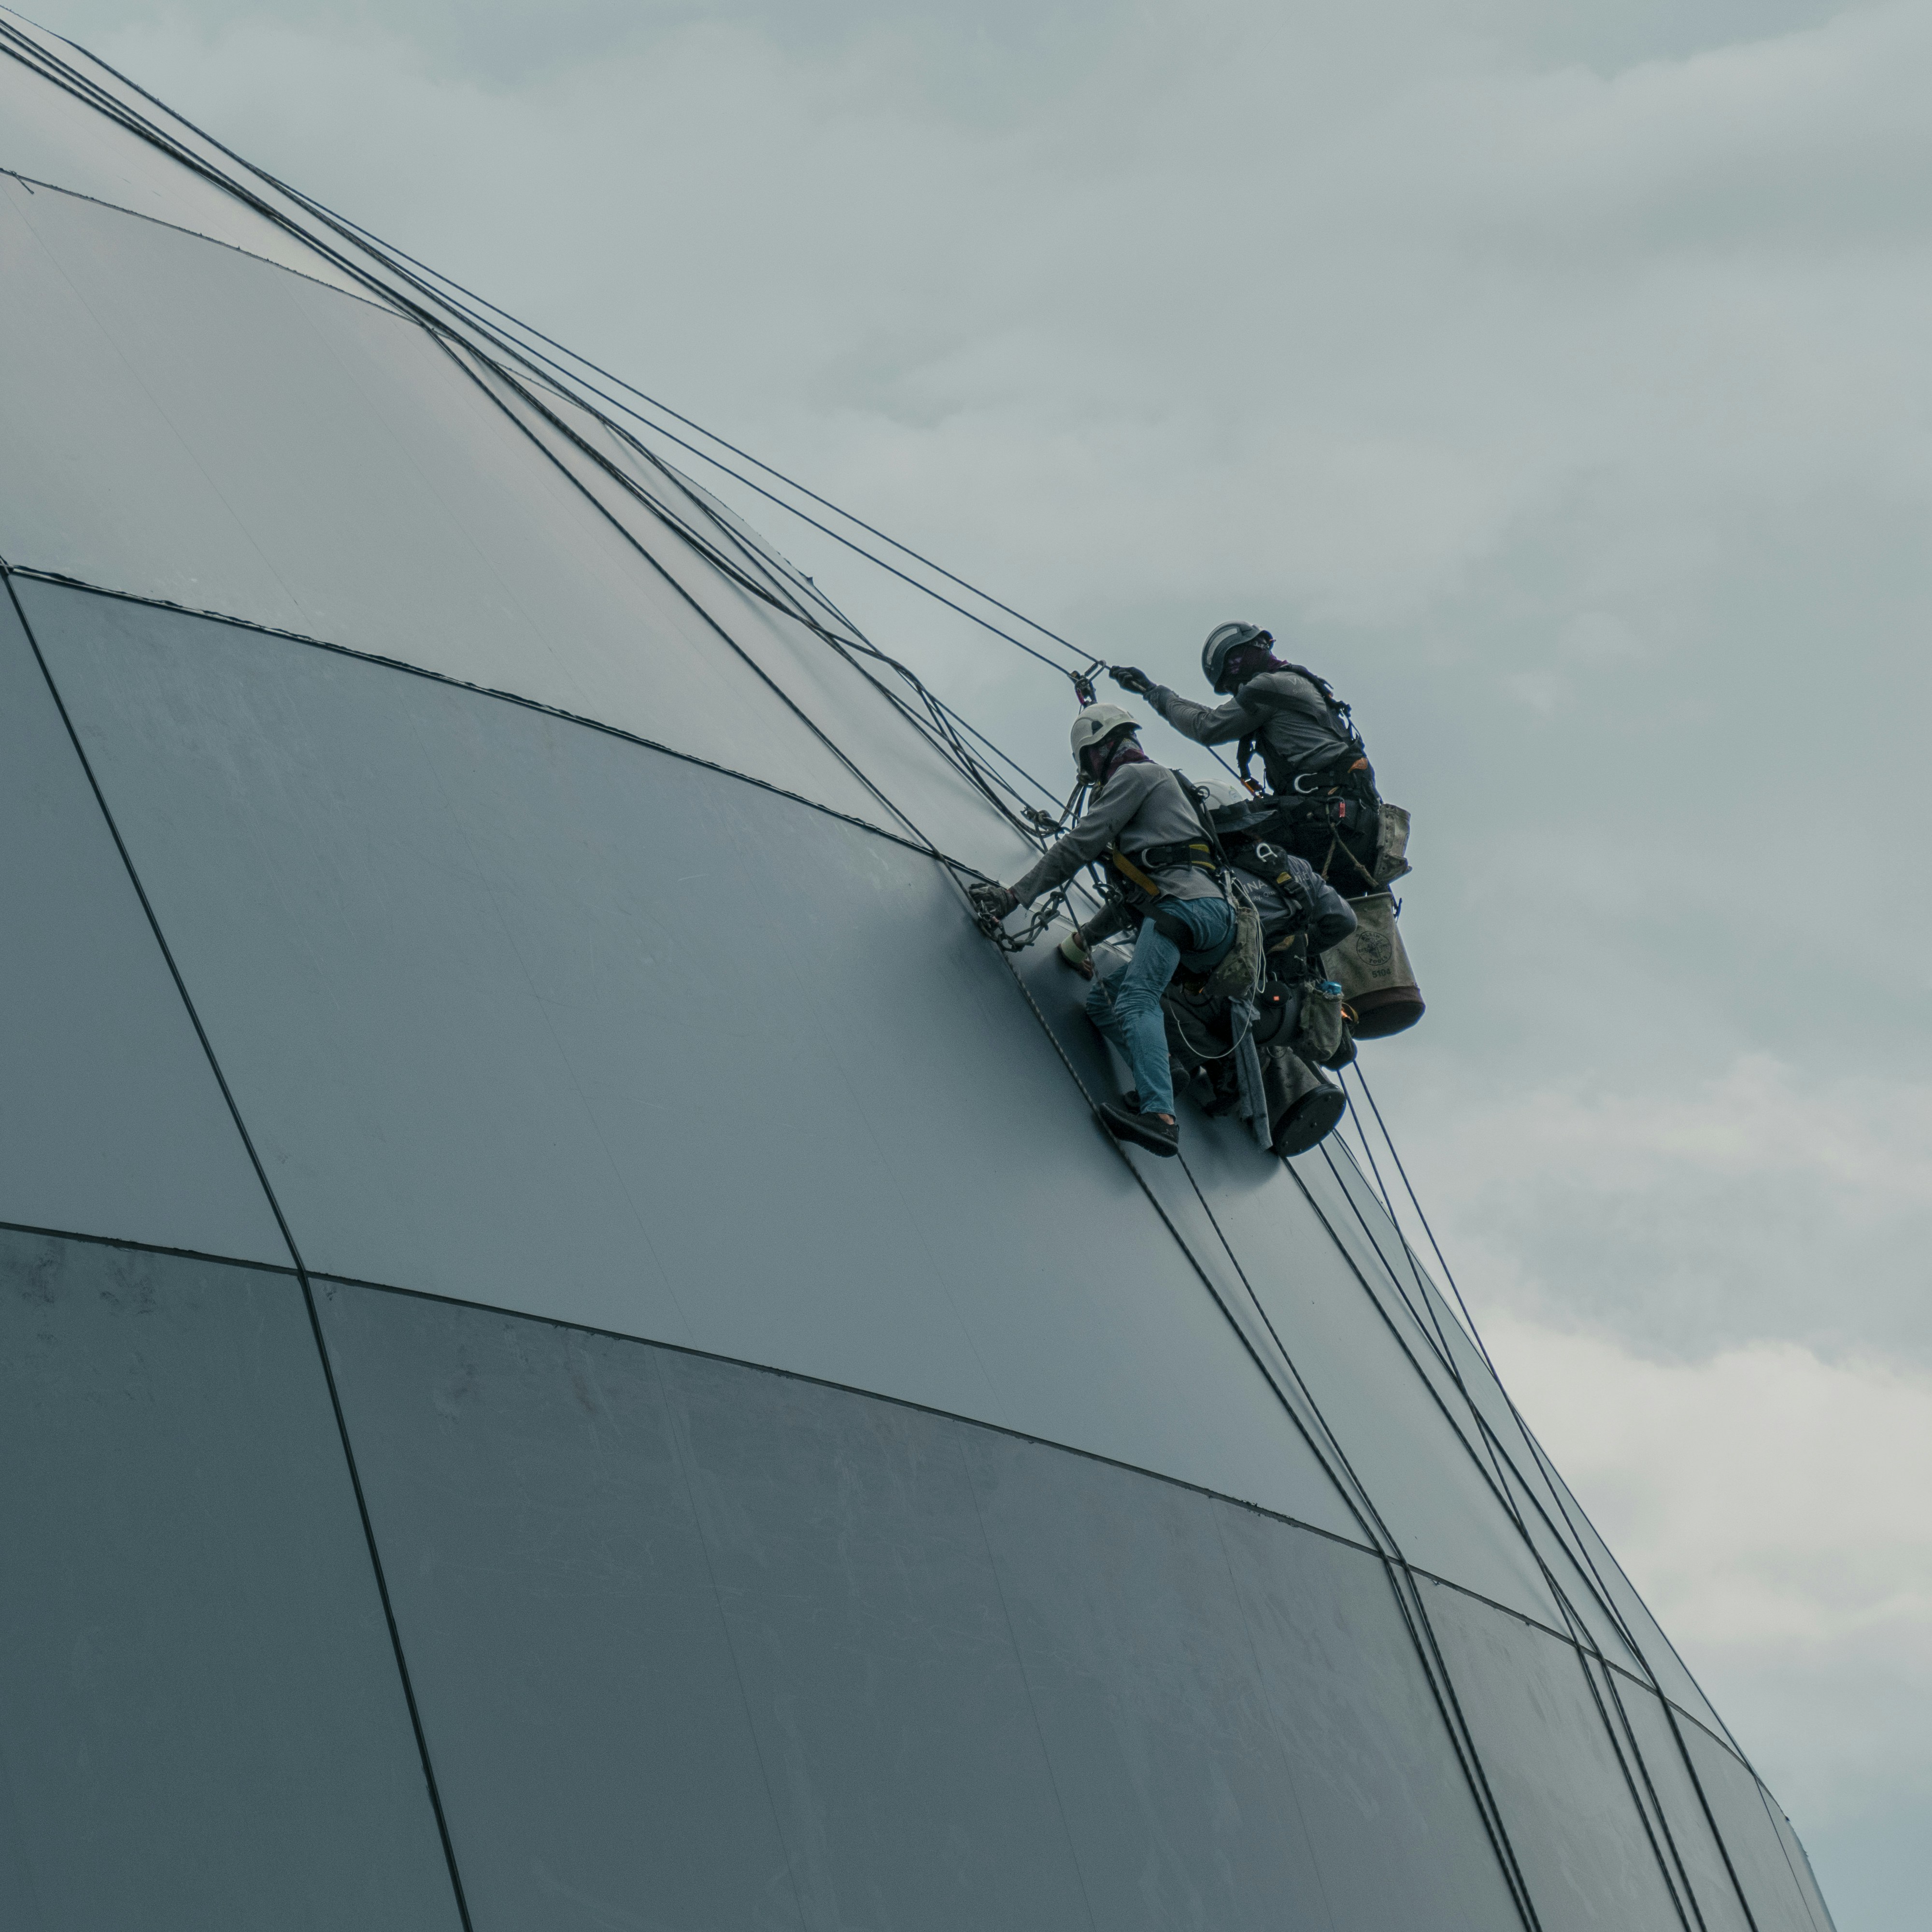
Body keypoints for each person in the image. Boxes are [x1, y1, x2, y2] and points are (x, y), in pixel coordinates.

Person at [969, 705, 1236, 1158]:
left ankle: (1160, 1118)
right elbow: (1133, 901)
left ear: (1101, 749)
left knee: (1136, 999)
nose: (1090, 772)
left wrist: (1014, 897)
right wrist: (1084, 941)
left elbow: (1078, 846)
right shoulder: (1160, 804)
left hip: (1186, 911)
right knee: (1106, 1000)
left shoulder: (1135, 777)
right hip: (1207, 923)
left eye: (1089, 759)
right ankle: (1163, 1071)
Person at [1110, 623, 1381, 894]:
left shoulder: (1269, 686)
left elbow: (1207, 726)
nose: (1233, 690)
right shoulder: (1292, 682)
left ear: (1236, 660)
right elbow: (1213, 717)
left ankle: (1196, 904)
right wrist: (1155, 691)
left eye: (1230, 681)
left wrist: (1156, 695)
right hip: (1349, 822)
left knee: (1206, 827)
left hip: (1324, 818)